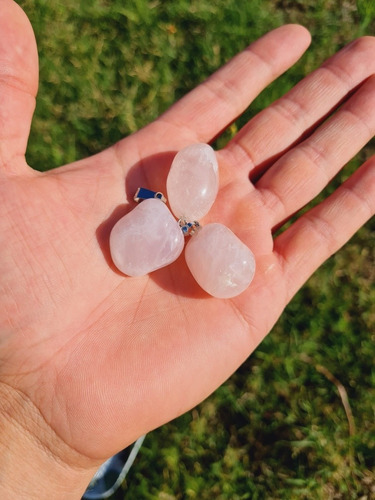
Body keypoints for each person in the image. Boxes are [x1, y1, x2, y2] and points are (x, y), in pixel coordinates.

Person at [0, 0, 374, 498]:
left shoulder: (181, 225)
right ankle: (94, 469)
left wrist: (32, 445)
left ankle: (89, 469)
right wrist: (30, 437)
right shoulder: (175, 226)